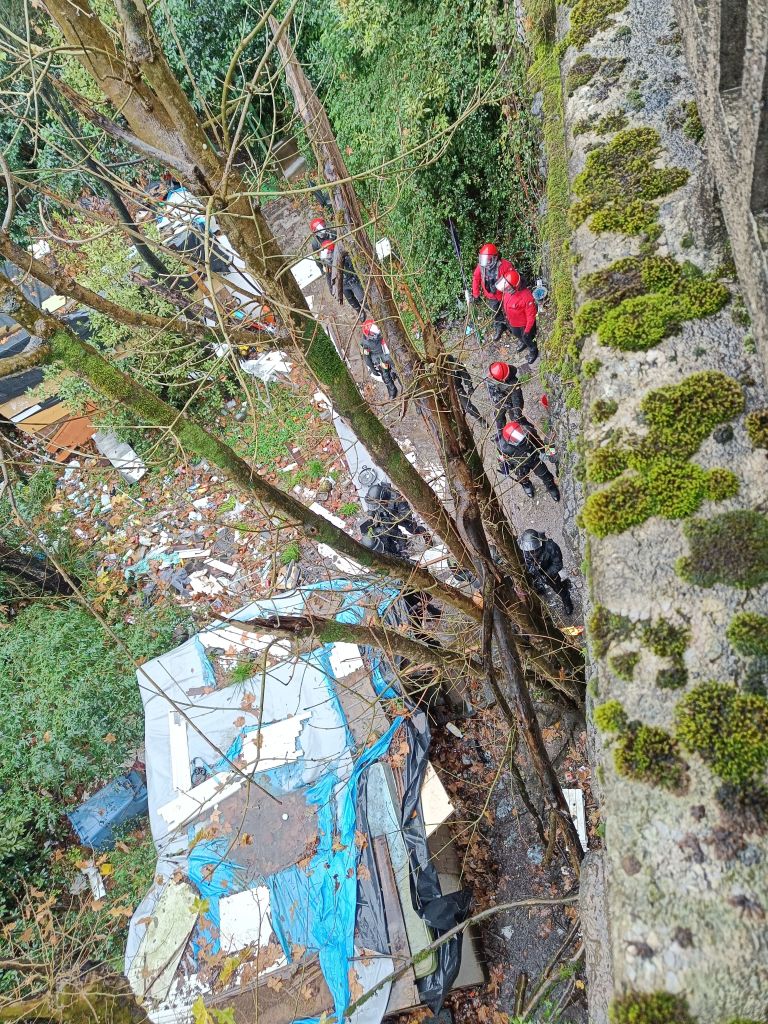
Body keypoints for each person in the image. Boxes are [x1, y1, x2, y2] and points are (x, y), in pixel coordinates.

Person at [497, 419, 560, 502]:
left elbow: (540, 444)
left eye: (521, 433)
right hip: (519, 464)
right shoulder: (503, 447)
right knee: (522, 477)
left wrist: (551, 452)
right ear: (510, 441)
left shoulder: (528, 431)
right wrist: (504, 467)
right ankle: (526, 484)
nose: (521, 437)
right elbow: (501, 461)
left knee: (544, 474)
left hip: (533, 458)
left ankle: (551, 485)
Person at [518, 529, 574, 615]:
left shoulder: (551, 547)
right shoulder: (523, 546)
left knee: (559, 589)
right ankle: (541, 587)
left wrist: (546, 575)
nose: (532, 553)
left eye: (534, 550)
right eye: (530, 551)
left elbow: (558, 564)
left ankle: (567, 602)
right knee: (535, 585)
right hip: (534, 572)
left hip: (549, 573)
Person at [471, 243, 517, 342]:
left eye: (488, 260)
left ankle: (513, 327)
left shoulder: (505, 265)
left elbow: (512, 280)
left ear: (495, 258)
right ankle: (499, 326)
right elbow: (476, 278)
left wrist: (511, 294)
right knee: (495, 312)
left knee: (509, 312)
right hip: (491, 295)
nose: (486, 263)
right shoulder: (481, 266)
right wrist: (476, 294)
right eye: (484, 259)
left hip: (504, 295)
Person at [496, 267, 539, 363]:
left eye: (507, 288)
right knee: (516, 334)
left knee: (527, 338)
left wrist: (527, 331)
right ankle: (524, 343)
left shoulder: (526, 297)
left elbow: (531, 316)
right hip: (512, 322)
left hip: (523, 325)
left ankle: (533, 350)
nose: (505, 290)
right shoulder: (508, 290)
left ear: (515, 286)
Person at [319, 239, 369, 319]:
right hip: (343, 285)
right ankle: (359, 311)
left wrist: (357, 276)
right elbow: (328, 276)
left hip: (352, 281)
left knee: (362, 298)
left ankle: (370, 308)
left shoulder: (344, 257)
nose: (327, 256)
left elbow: (353, 265)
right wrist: (331, 288)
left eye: (328, 254)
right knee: (350, 300)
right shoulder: (328, 264)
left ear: (333, 253)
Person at [445, 355, 488, 427]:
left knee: (468, 407)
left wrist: (470, 387)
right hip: (446, 392)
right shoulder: (438, 369)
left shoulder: (456, 363)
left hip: (458, 389)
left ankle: (480, 419)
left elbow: (465, 375)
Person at [360, 320, 398, 398]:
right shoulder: (365, 343)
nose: (378, 333)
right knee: (385, 376)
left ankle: (401, 381)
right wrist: (372, 368)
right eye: (375, 333)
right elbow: (366, 357)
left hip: (389, 354)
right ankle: (392, 390)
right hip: (379, 359)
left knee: (397, 369)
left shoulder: (383, 331)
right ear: (369, 334)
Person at [487, 361, 524, 430]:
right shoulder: (493, 372)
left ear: (503, 380)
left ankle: (526, 431)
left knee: (517, 420)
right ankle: (501, 433)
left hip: (510, 403)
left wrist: (517, 414)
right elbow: (490, 383)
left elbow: (518, 401)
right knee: (498, 417)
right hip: (499, 400)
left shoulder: (513, 385)